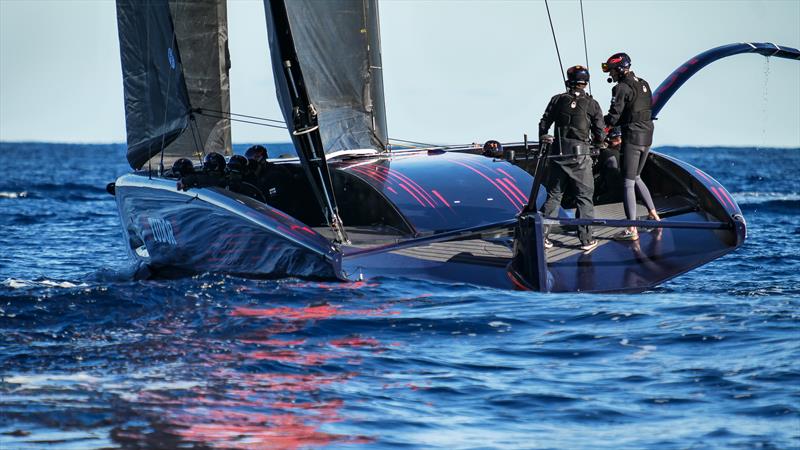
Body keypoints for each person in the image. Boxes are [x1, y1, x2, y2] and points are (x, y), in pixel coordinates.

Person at [538, 65, 606, 252]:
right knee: (584, 198)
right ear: (586, 82)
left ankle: (542, 236)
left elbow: (544, 123)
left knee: (554, 196)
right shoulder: (592, 104)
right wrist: (599, 145)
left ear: (569, 81)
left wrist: (542, 139)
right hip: (580, 157)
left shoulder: (557, 100)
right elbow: (600, 131)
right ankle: (586, 240)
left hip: (558, 154)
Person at [602, 52, 660, 241]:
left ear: (619, 70)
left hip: (633, 138)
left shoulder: (621, 88)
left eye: (611, 70)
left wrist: (597, 124)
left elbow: (613, 117)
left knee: (627, 181)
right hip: (648, 136)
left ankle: (631, 228)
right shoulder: (644, 83)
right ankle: (653, 214)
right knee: (636, 176)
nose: (611, 74)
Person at [595, 127, 624, 203]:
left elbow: (594, 171)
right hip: (628, 195)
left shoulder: (607, 153)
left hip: (612, 196)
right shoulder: (629, 153)